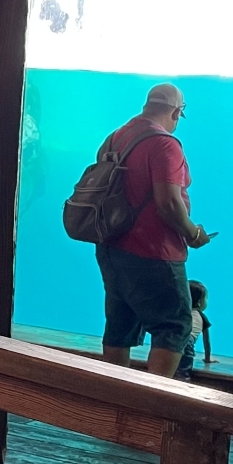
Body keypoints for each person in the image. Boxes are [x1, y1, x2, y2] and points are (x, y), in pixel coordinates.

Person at [95, 82, 211, 378]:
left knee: (120, 323)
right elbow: (169, 203)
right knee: (174, 326)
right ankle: (153, 399)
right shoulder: (164, 144)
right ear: (176, 112)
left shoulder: (116, 137)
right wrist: (194, 234)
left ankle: (115, 396)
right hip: (153, 251)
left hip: (111, 246)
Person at [177, 281, 213, 380]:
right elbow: (206, 341)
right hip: (187, 341)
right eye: (206, 299)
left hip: (173, 337)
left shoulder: (180, 312)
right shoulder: (201, 316)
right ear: (200, 302)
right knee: (183, 370)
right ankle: (183, 382)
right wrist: (207, 358)